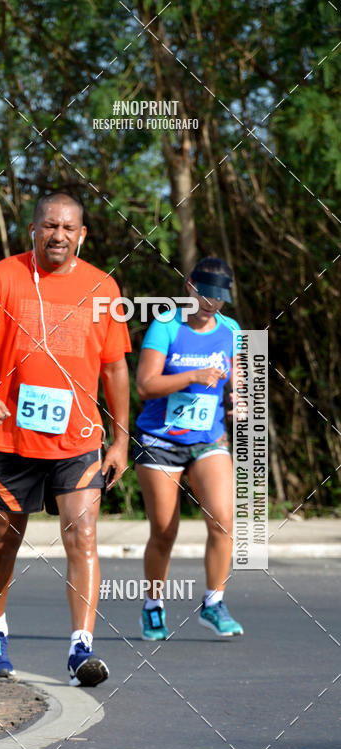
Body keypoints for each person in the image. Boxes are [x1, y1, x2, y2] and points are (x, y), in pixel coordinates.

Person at [0, 192, 131, 685]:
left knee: (84, 535)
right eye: (49, 226)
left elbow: (116, 368)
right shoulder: (2, 276)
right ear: (33, 230)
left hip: (78, 440)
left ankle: (81, 650)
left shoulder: (103, 287)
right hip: (10, 439)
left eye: (68, 228)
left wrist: (120, 440)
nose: (59, 235)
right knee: (5, 539)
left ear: (82, 235)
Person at [133, 256, 244, 640]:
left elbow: (238, 380)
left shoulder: (231, 330)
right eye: (206, 295)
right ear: (189, 287)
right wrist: (193, 376)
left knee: (223, 520)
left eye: (219, 298)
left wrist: (239, 400)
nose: (212, 304)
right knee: (165, 530)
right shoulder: (166, 325)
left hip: (208, 440)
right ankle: (153, 605)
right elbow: (145, 386)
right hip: (161, 440)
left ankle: (214, 603)